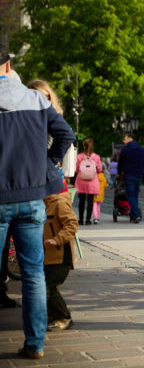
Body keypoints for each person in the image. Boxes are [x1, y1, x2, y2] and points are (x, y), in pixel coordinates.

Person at [0, 45, 75, 359]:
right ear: (8, 66)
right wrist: (47, 164)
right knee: (33, 274)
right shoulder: (34, 99)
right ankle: (35, 344)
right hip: (33, 198)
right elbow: (65, 133)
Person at [26, 79, 77, 181]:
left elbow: (67, 136)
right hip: (51, 170)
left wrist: (49, 161)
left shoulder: (43, 117)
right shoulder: (55, 115)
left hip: (44, 171)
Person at [43, 186, 78, 331]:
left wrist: (57, 240)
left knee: (48, 288)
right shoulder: (44, 205)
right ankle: (52, 318)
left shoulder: (59, 203)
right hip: (48, 257)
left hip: (60, 256)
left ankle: (64, 317)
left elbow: (72, 225)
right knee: (48, 287)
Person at [117, 132, 144, 224]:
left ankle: (136, 215)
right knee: (135, 195)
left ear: (130, 139)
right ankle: (133, 216)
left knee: (131, 196)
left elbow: (120, 163)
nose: (123, 141)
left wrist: (119, 173)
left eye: (125, 138)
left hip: (129, 175)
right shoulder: (142, 150)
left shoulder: (125, 150)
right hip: (138, 176)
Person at [74, 138, 103, 226]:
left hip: (81, 181)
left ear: (84, 146)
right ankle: (88, 220)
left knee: (81, 200)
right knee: (90, 200)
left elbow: (76, 170)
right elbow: (100, 170)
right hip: (92, 181)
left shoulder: (79, 156)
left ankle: (81, 219)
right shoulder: (96, 157)